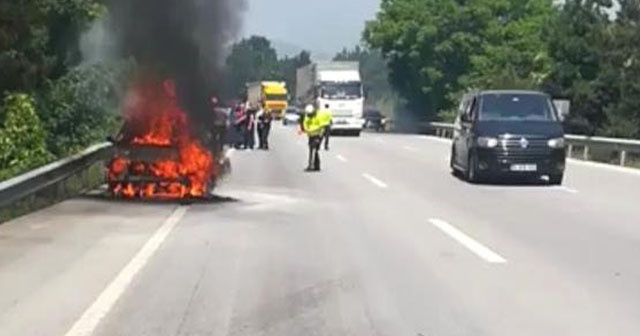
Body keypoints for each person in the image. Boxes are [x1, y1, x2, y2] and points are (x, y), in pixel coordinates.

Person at [302, 104, 328, 171]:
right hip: (311, 135)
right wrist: (307, 130)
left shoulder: (318, 116)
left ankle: (311, 166)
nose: (309, 115)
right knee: (313, 150)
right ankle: (317, 165)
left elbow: (322, 127)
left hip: (317, 135)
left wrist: (320, 136)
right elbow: (305, 124)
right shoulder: (307, 116)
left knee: (314, 149)